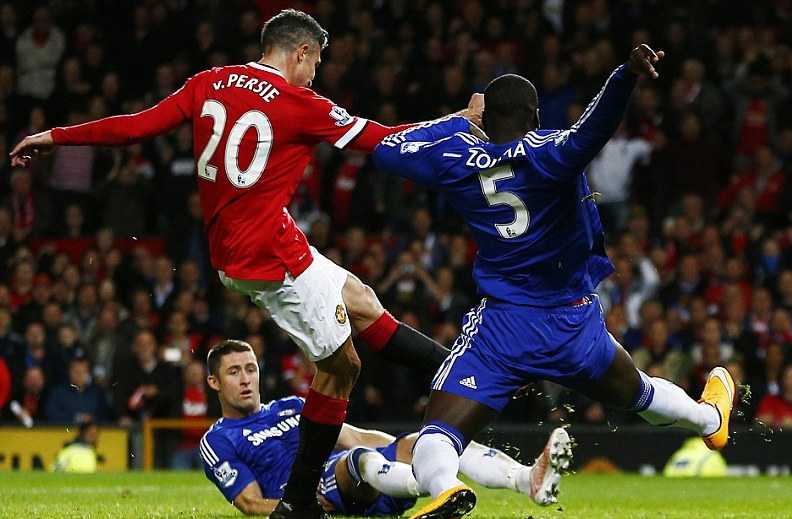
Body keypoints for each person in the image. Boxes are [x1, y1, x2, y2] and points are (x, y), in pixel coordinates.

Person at [9, 9, 480, 519]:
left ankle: (464, 371)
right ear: (301, 52)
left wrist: (55, 136)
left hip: (247, 248)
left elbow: (134, 126)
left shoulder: (208, 82)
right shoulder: (301, 102)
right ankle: (298, 503)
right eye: (316, 63)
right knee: (341, 367)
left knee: (361, 300)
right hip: (268, 258)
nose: (315, 74)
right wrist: (459, 122)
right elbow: (385, 140)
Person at [373, 44, 735, 518]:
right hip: (573, 323)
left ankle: (445, 489)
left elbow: (386, 149)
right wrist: (625, 75)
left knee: (438, 434)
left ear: (487, 118)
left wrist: (459, 120)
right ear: (534, 115)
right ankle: (709, 418)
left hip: (503, 328)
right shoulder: (549, 152)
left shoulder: (457, 156)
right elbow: (594, 129)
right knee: (640, 393)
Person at [200, 340, 571, 516]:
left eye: (250, 369)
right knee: (356, 460)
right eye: (234, 372)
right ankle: (437, 490)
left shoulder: (293, 406)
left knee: (429, 442)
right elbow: (249, 503)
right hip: (320, 491)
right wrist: (303, 509)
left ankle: (527, 479)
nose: (245, 379)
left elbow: (355, 436)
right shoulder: (217, 440)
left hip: (372, 481)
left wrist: (412, 448)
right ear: (214, 382)